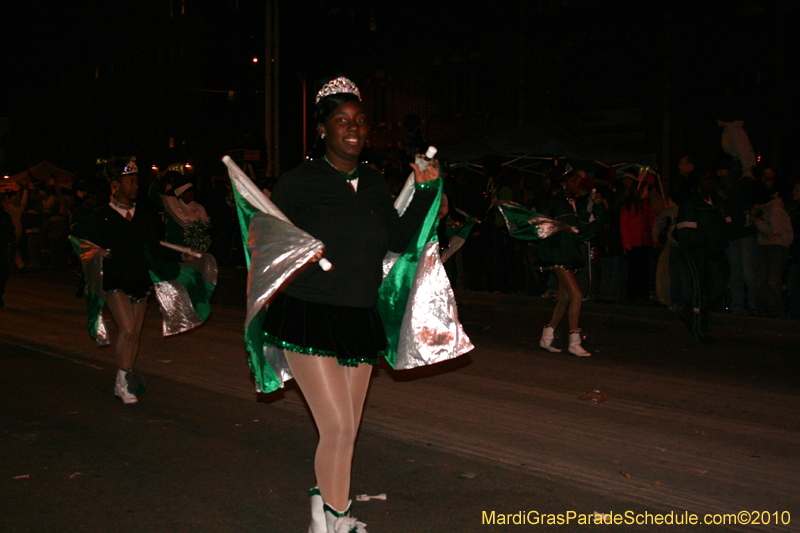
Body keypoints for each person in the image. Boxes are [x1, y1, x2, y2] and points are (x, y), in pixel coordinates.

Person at [260, 77, 440, 533]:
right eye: (342, 121)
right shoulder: (298, 183)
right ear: (322, 129)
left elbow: (397, 241)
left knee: (346, 431)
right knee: (338, 427)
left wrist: (423, 192)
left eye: (360, 121)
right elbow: (266, 244)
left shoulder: (377, 182)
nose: (353, 129)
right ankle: (337, 519)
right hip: (308, 313)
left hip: (360, 316)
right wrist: (299, 253)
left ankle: (325, 504)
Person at [86, 160, 186, 404]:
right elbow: (86, 248)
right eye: (129, 181)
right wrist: (98, 254)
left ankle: (125, 379)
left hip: (139, 278)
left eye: (136, 181)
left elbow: (154, 247)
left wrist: (184, 255)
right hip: (114, 278)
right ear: (115, 185)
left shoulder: (143, 213)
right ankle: (122, 381)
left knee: (136, 333)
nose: (134, 186)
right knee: (127, 328)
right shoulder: (102, 215)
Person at [537, 168, 605, 356]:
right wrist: (560, 228)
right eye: (573, 181)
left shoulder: (577, 204)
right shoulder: (552, 202)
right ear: (563, 183)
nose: (577, 185)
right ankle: (574, 341)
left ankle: (547, 337)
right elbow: (541, 226)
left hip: (569, 255)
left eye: (578, 182)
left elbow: (588, 224)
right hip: (557, 255)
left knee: (564, 298)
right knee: (576, 295)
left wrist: (598, 205)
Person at [674, 171, 731, 341]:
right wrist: (699, 245)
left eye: (710, 178)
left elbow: (727, 226)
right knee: (700, 289)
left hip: (715, 253)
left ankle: (688, 311)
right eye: (704, 178)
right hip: (695, 253)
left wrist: (720, 243)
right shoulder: (691, 203)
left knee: (718, 287)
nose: (708, 181)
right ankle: (699, 329)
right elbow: (685, 232)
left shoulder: (719, 203)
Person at [149, 170, 212, 252]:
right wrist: (158, 179)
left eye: (192, 191)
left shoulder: (199, 207)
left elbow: (206, 225)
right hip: (174, 245)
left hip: (192, 248)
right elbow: (152, 195)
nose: (191, 194)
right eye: (187, 192)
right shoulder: (172, 202)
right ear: (181, 194)